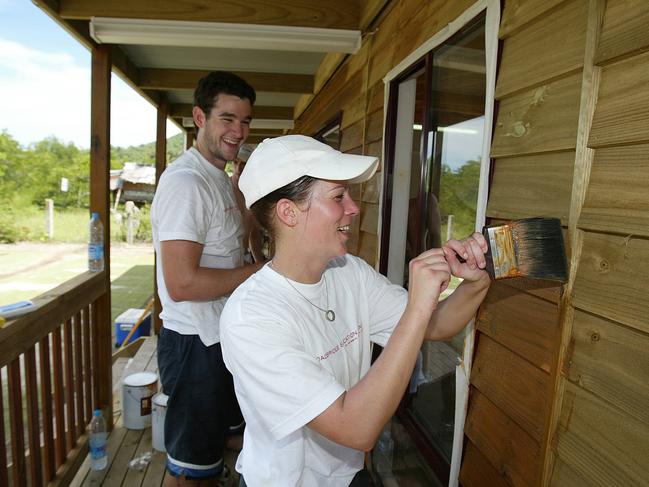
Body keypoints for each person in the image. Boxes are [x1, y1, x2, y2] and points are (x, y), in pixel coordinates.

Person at [219, 135, 491, 486]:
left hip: (349, 475)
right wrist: (417, 308)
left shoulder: (349, 272)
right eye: (338, 197)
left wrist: (476, 281)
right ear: (288, 212)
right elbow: (356, 428)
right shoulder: (252, 317)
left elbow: (438, 325)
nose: (353, 208)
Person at [151, 71, 264, 486]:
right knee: (190, 467)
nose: (238, 131)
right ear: (200, 117)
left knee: (223, 442)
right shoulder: (186, 183)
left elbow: (236, 240)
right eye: (227, 119)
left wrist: (246, 199)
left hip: (221, 336)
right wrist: (259, 272)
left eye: (246, 121)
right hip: (193, 344)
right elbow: (181, 284)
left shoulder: (220, 177)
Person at [230, 144, 265, 263]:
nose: (238, 168)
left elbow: (253, 233)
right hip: (223, 260)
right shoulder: (223, 190)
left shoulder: (254, 193)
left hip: (244, 258)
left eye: (244, 163)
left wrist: (259, 263)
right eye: (236, 162)